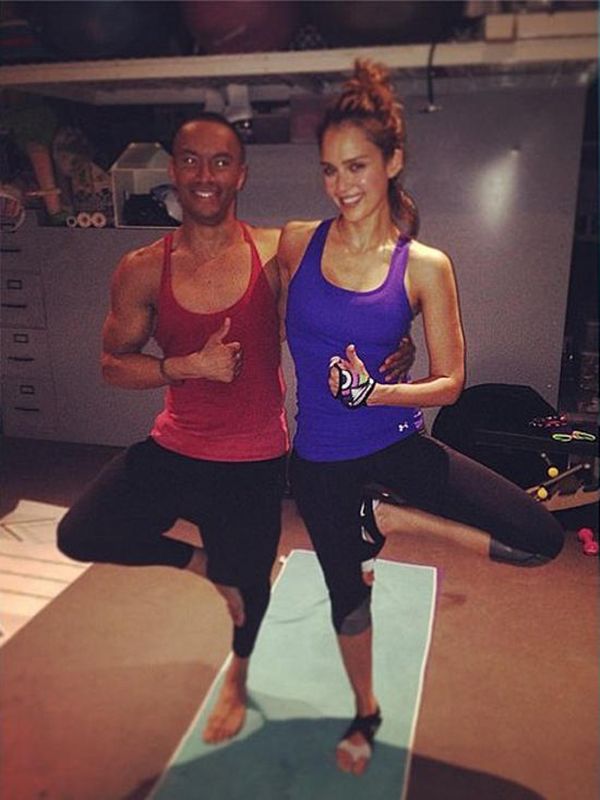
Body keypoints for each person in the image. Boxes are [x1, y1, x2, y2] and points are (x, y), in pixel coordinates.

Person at [57, 112, 413, 744]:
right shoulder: (142, 267)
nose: (205, 174)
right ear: (173, 171)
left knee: (249, 590)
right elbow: (112, 364)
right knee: (81, 532)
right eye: (191, 160)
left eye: (220, 161)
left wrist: (397, 346)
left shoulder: (277, 252)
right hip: (175, 445)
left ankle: (238, 681)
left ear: (240, 175)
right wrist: (185, 366)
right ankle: (204, 564)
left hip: (254, 460)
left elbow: (354, 293)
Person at [278, 60, 564, 777]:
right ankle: (365, 711)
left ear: (392, 161)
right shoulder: (296, 241)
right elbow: (231, 266)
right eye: (329, 170)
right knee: (349, 604)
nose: (342, 185)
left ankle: (392, 520)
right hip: (318, 462)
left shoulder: (425, 266)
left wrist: (375, 393)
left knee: (540, 541)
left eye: (357, 166)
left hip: (396, 444)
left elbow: (451, 383)